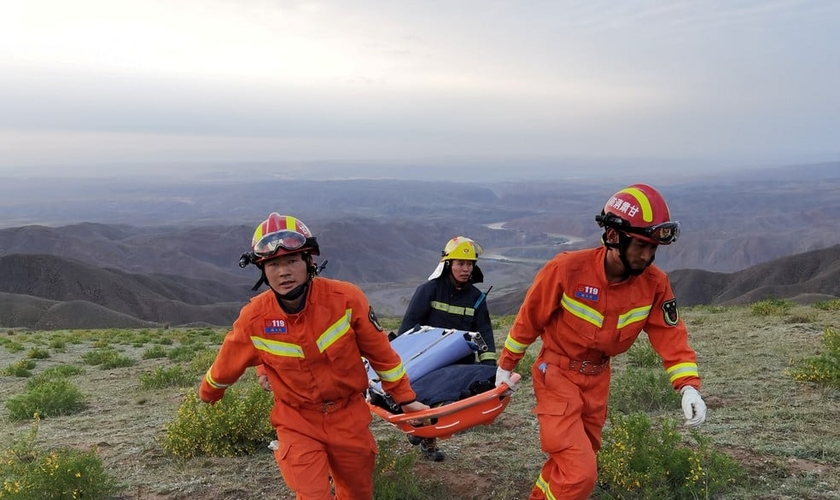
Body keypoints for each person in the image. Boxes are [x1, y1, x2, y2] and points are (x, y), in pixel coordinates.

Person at [494, 184, 707, 500]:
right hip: (556, 375)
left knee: (569, 466)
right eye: (640, 246)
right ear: (614, 237)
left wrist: (688, 386)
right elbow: (530, 319)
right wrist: (505, 367)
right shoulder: (566, 270)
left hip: (597, 382)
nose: (647, 256)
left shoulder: (655, 284)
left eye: (653, 248)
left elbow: (671, 336)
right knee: (580, 475)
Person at [199, 213, 429, 500]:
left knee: (357, 493)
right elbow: (227, 364)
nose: (283, 272)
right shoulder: (254, 319)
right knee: (312, 494)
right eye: (273, 264)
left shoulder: (346, 299)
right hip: (297, 419)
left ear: (309, 262)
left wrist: (406, 399)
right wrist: (209, 393)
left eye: (292, 261)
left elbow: (382, 354)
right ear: (262, 269)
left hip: (349, 416)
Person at [398, 235, 497, 461]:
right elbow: (408, 328)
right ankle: (425, 438)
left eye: (469, 264)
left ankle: (426, 436)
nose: (465, 269)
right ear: (448, 264)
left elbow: (485, 332)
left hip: (459, 364)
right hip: (426, 361)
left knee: (445, 404)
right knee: (426, 401)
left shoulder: (477, 299)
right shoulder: (429, 291)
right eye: (460, 264)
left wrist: (489, 367)